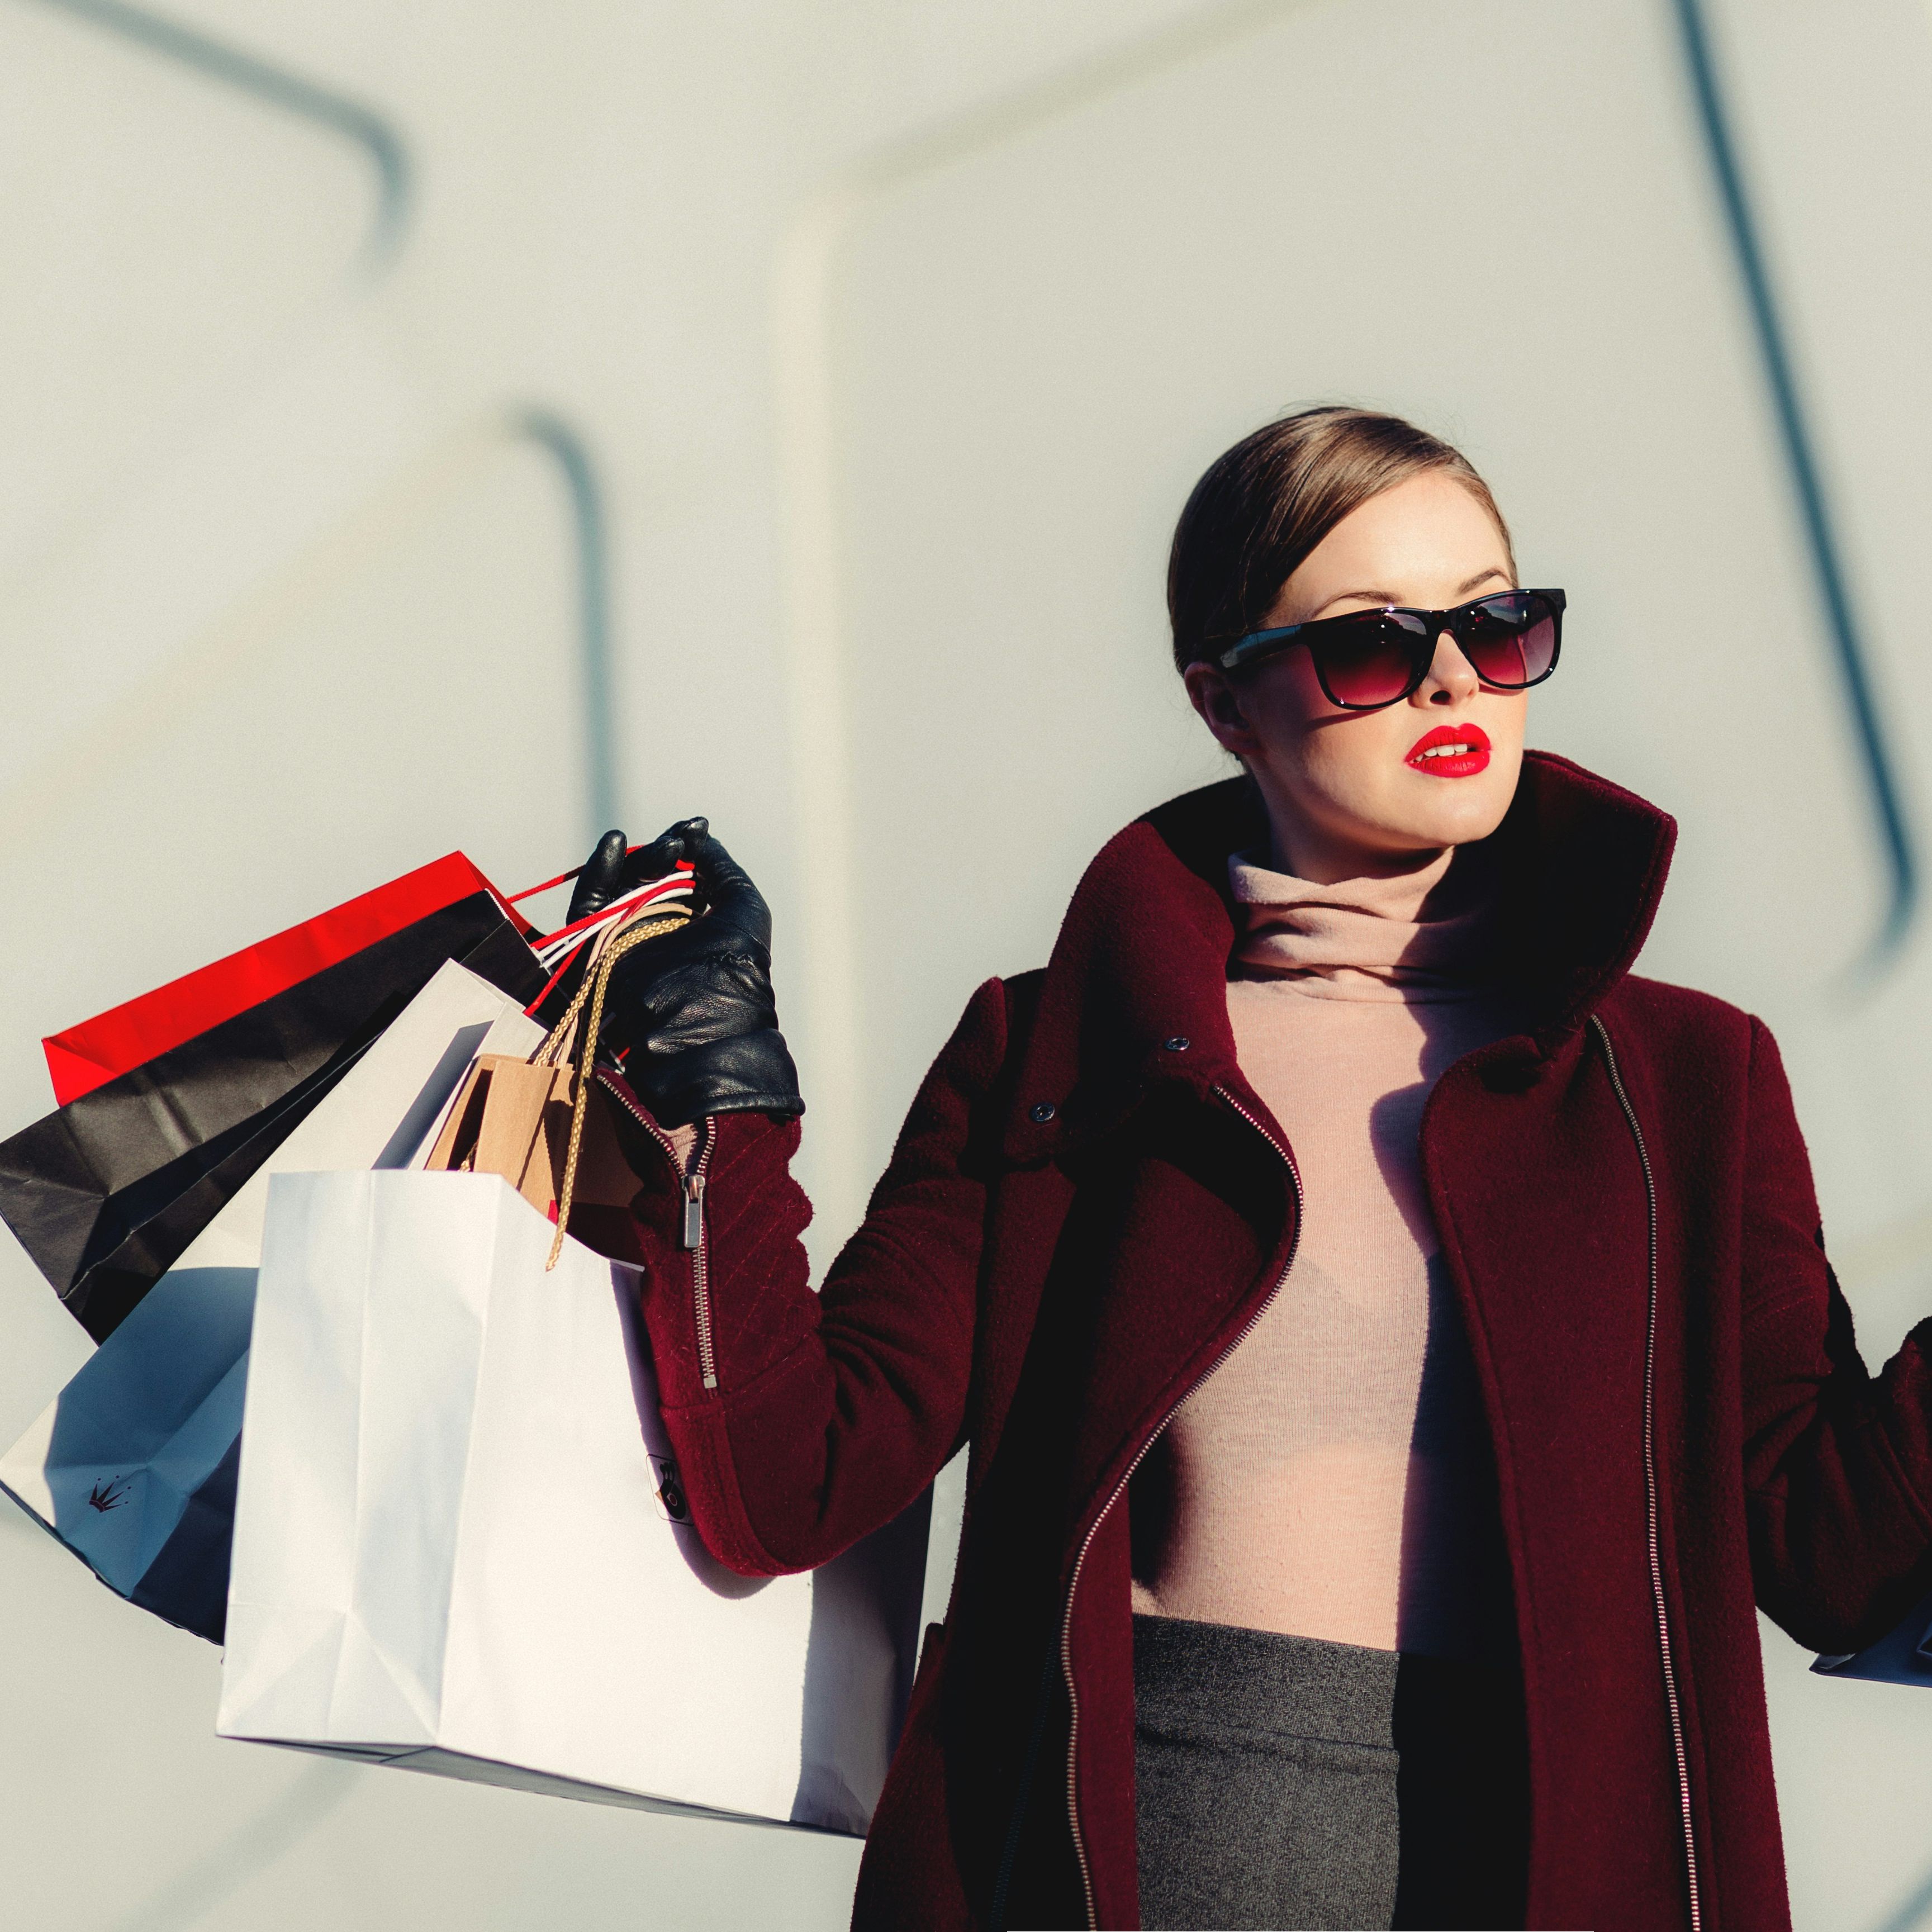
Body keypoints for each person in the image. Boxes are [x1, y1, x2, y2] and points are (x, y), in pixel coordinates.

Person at [569, 407, 1932, 1931]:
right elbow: (789, 1477)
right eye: (1368, 643)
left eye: (1498, 624)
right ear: (1223, 702)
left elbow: (1833, 1548)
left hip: (1559, 1864)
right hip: (1148, 1854)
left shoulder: (1684, 1080)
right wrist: (712, 1102)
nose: (1447, 678)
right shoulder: (1057, 1054)